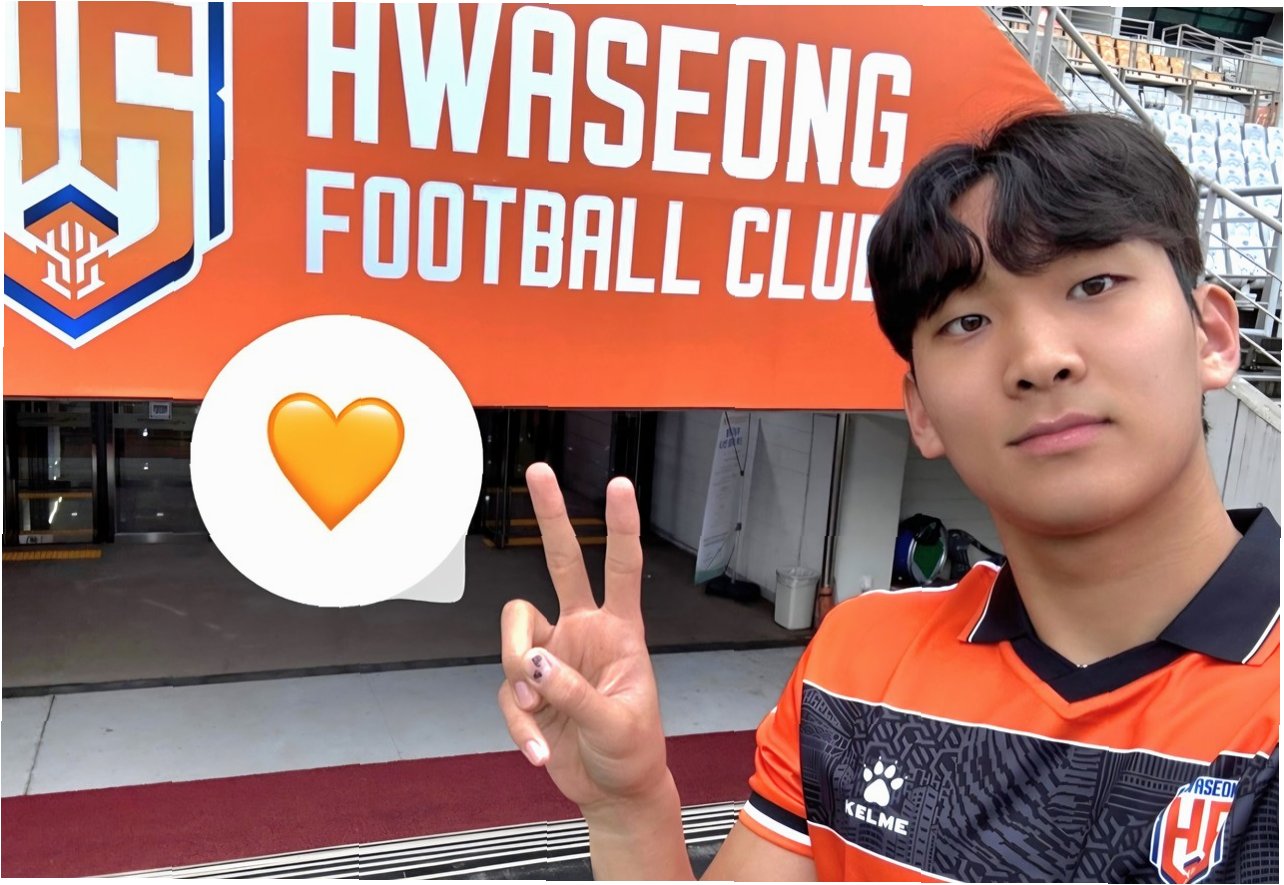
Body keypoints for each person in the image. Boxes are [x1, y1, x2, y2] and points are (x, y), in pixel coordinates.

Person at [497, 110, 1280, 882]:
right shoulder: (856, 666)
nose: (1040, 358)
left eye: (1093, 284)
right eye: (968, 321)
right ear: (921, 412)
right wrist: (628, 805)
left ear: (1213, 336)